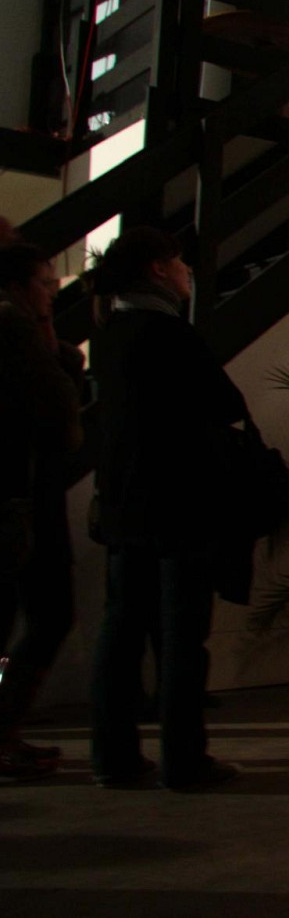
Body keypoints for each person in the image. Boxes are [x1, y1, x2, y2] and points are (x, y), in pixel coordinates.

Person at [87, 226, 246, 790]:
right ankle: (184, 758)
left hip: (123, 506)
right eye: (180, 263)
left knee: (121, 632)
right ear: (157, 268)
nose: (188, 272)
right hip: (179, 505)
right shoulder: (168, 334)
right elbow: (225, 403)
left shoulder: (109, 336)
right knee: (181, 638)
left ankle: (113, 756)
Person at [0, 241, 81, 780]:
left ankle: (6, 731)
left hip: (22, 495)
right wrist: (55, 343)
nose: (52, 292)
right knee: (45, 612)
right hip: (19, 497)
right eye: (45, 283)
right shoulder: (13, 328)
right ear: (18, 286)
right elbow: (60, 413)